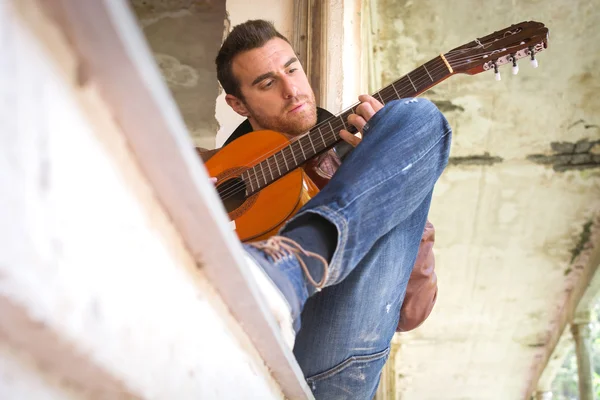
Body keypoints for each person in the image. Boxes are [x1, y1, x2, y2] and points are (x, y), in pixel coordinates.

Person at [201, 19, 452, 399]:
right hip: (239, 338)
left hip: (327, 357)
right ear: (238, 104)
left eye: (292, 68)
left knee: (417, 116)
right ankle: (282, 272)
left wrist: (381, 180)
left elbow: (410, 315)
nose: (292, 90)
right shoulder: (206, 166)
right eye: (267, 83)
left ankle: (293, 266)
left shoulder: (348, 163)